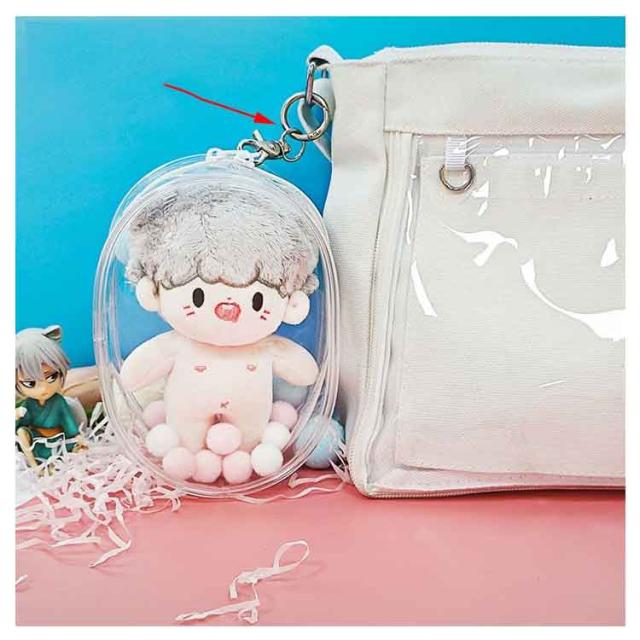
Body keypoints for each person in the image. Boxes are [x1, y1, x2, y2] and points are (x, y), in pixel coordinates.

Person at [15, 325, 86, 472]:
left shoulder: (58, 402)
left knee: (79, 452)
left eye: (52, 377)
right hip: (38, 443)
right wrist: (17, 417)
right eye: (30, 383)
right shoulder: (29, 404)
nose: (44, 389)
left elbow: (68, 422)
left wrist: (77, 436)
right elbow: (22, 425)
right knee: (21, 432)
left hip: (59, 440)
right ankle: (35, 466)